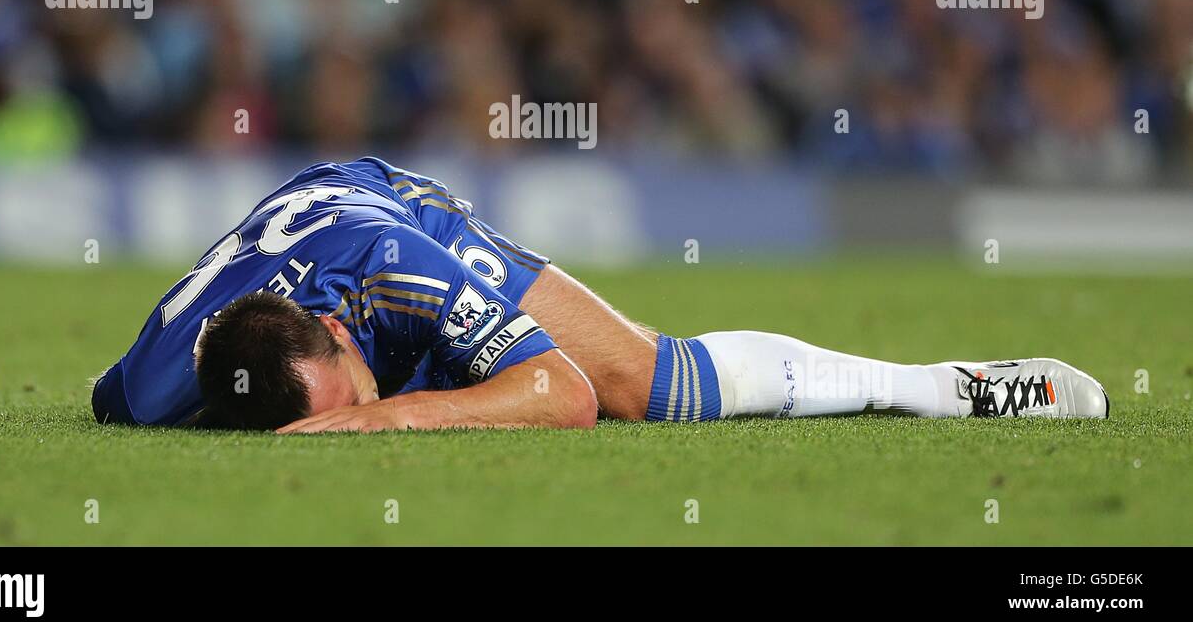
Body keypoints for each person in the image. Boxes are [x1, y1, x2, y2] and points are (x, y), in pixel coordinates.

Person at [91, 157, 1109, 432]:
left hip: (382, 207)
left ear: (334, 327)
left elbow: (563, 393)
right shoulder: (148, 388)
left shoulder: (400, 264)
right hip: (291, 241)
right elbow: (106, 392)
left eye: (347, 387)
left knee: (642, 382)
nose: (351, 406)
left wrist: (378, 420)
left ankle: (953, 384)